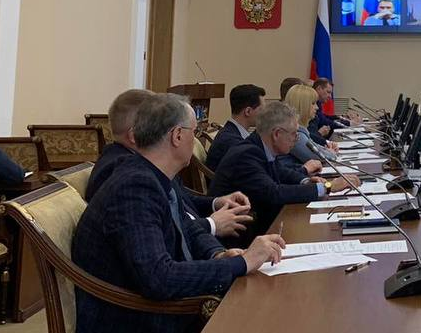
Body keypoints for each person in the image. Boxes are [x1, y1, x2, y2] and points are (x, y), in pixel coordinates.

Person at [72, 93, 285, 332]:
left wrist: (218, 255)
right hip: (138, 320)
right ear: (177, 135)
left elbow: (187, 227)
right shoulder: (134, 186)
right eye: (194, 131)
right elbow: (159, 278)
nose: (195, 139)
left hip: (165, 309)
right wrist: (242, 263)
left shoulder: (153, 174)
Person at [86, 89, 253, 241]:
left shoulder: (150, 163)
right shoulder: (121, 172)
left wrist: (215, 203)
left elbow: (181, 200)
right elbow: (157, 232)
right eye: (155, 123)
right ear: (134, 135)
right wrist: (211, 224)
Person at [209, 102, 360, 243]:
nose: (296, 139)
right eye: (294, 134)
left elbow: (281, 172)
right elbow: (273, 193)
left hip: (261, 226)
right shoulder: (247, 154)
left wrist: (306, 181)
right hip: (239, 240)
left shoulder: (260, 147)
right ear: (277, 134)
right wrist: (328, 187)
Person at [205, 84, 266, 172]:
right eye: (262, 110)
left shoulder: (230, 133)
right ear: (248, 111)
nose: (265, 114)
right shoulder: (232, 142)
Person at [284, 84, 336, 165]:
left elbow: (317, 148)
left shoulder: (302, 129)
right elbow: (319, 157)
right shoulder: (296, 134)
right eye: (313, 103)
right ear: (302, 105)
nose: (317, 107)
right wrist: (331, 152)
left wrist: (328, 151)